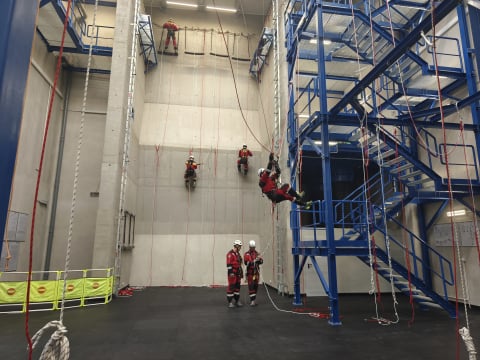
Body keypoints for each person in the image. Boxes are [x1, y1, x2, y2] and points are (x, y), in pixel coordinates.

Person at [244, 240, 263, 306]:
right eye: (252, 247)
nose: (253, 248)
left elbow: (261, 262)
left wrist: (259, 259)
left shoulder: (257, 253)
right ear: (249, 247)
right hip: (250, 273)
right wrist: (253, 261)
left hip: (256, 273)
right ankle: (252, 300)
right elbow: (246, 263)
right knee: (251, 286)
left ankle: (254, 299)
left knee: (256, 286)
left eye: (254, 247)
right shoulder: (247, 254)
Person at [226, 239, 244, 308]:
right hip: (232, 273)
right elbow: (229, 264)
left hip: (238, 273)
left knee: (237, 287)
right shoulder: (230, 254)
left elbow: (239, 263)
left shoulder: (237, 254)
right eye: (240, 246)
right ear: (236, 246)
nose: (240, 248)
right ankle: (230, 302)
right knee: (231, 287)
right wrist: (231, 273)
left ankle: (237, 300)